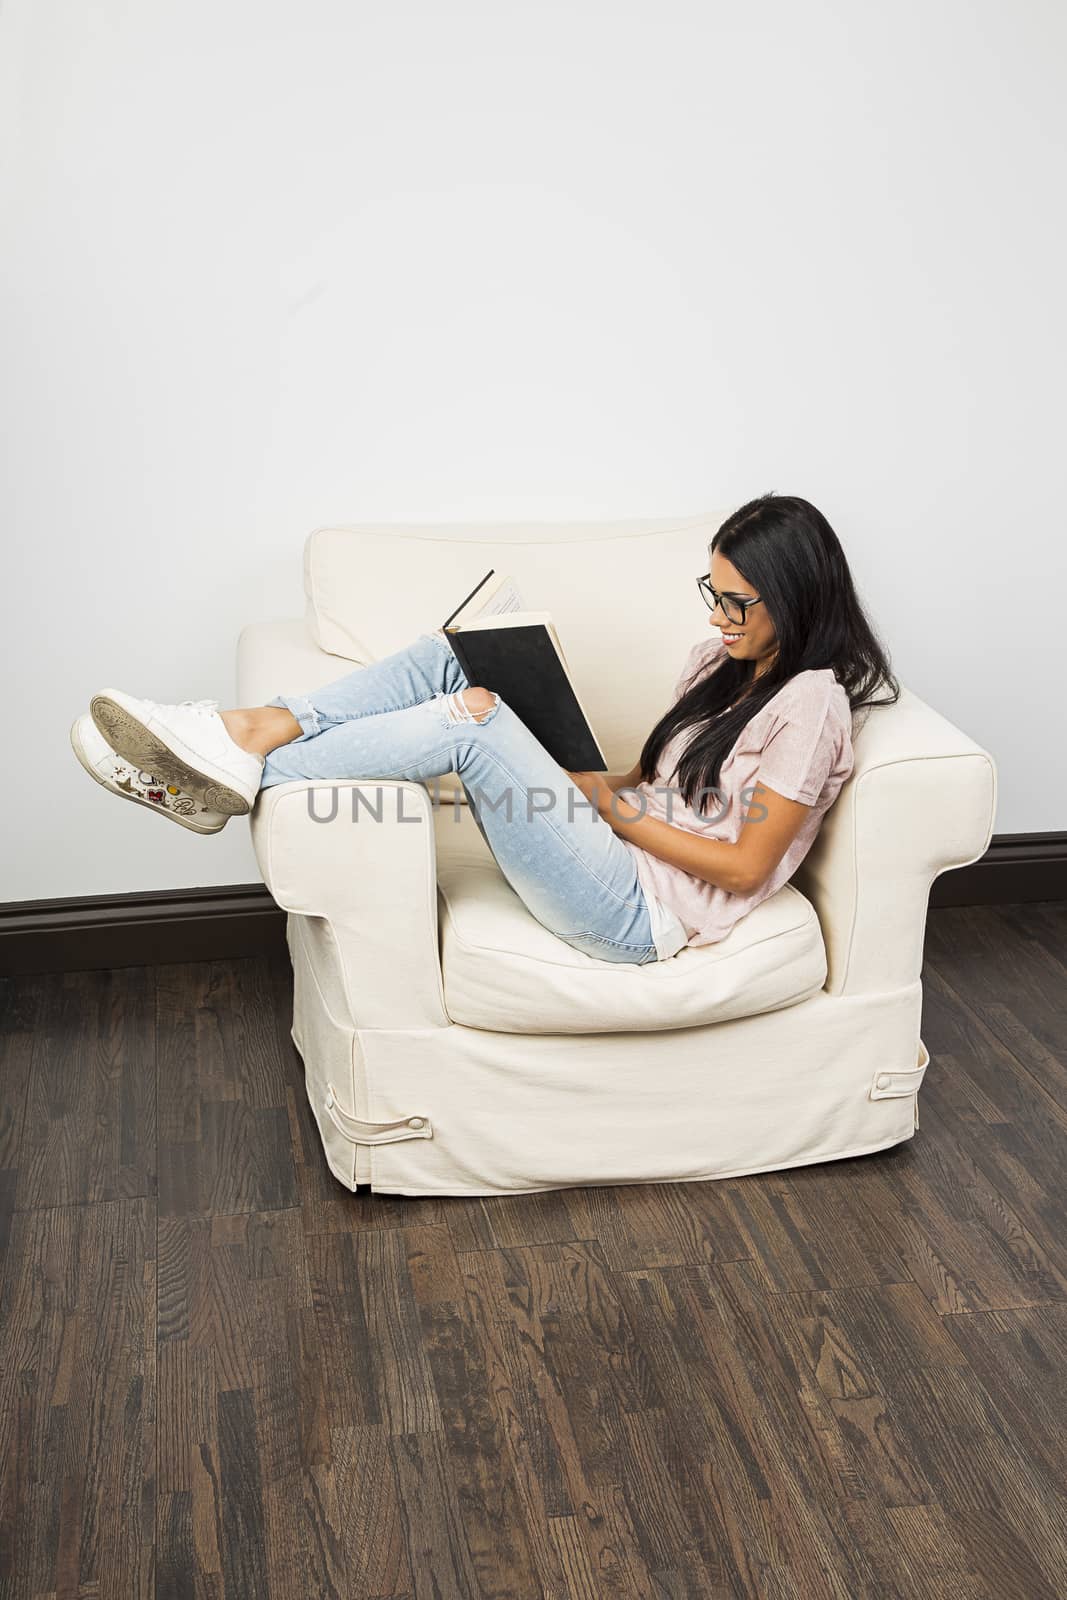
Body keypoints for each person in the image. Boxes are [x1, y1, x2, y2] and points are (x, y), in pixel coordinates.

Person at [70, 493, 899, 965]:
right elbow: (659, 791)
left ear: (795, 595)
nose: (717, 617)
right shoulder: (717, 663)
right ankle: (251, 730)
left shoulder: (812, 702)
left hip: (637, 913)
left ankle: (238, 757)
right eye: (710, 593)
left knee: (473, 723)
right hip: (611, 848)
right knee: (453, 657)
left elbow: (749, 864)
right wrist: (585, 776)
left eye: (736, 603)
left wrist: (602, 807)